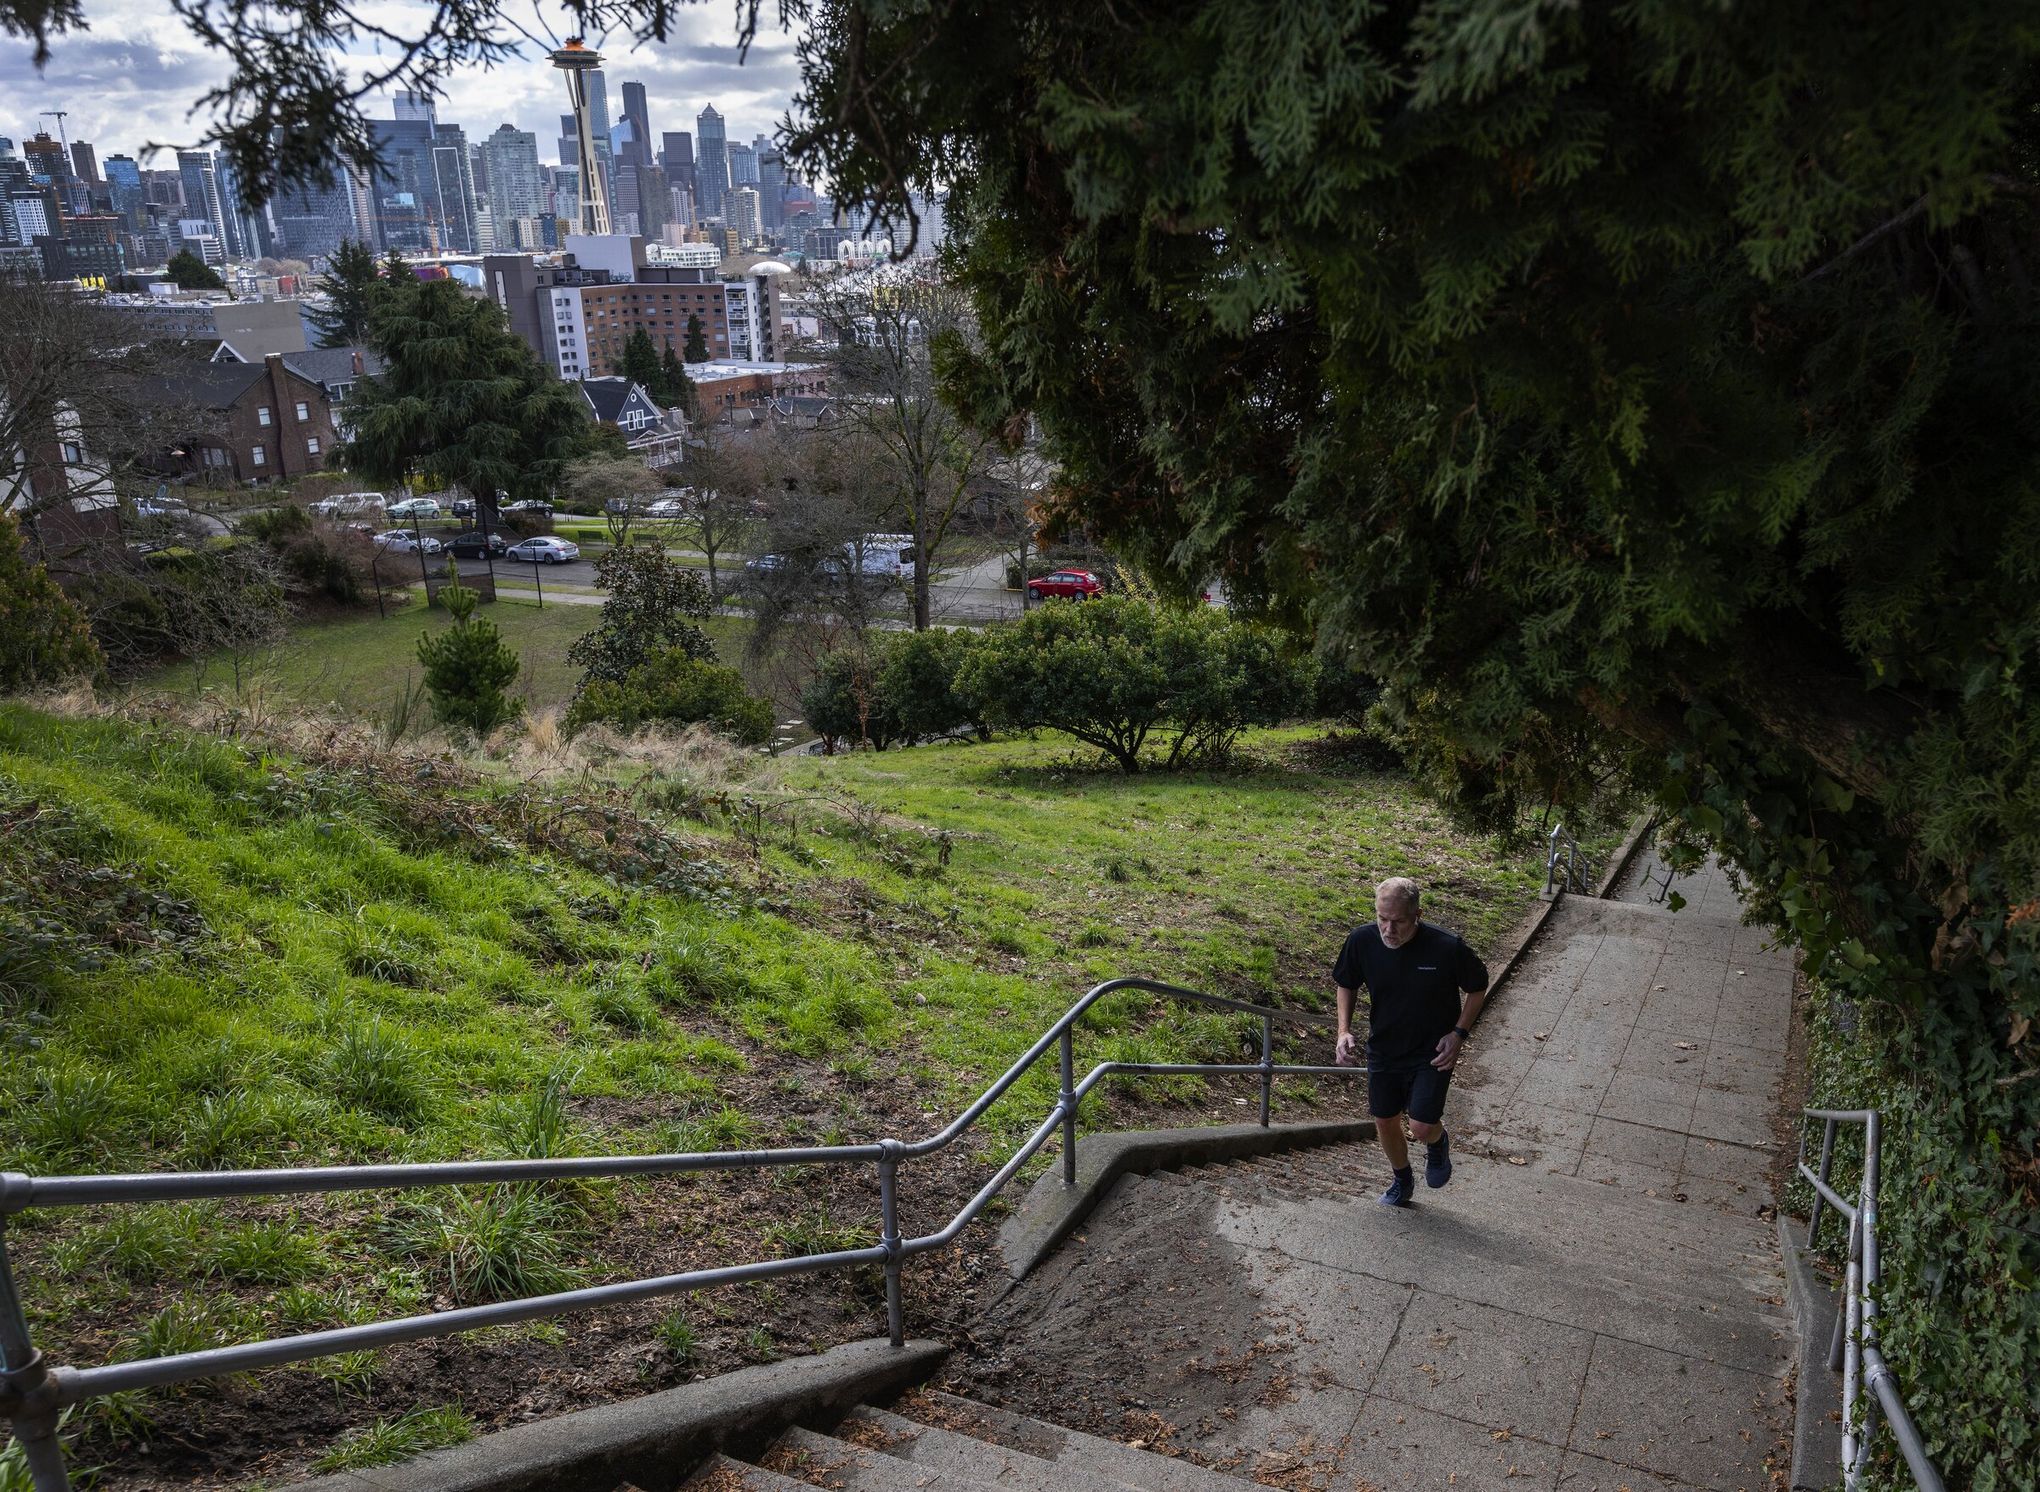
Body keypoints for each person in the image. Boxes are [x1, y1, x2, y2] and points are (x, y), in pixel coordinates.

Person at [1332, 876, 1490, 1207]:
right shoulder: (1362, 940)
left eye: (1398, 922)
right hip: (1385, 1047)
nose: (1388, 930)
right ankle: (1402, 1180)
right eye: (1382, 919)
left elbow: (1477, 987)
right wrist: (1343, 1030)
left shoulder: (1447, 946)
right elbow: (1346, 983)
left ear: (1417, 914)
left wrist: (1458, 1034)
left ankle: (1437, 1141)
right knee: (1384, 1119)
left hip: (1433, 1050)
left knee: (1420, 1124)